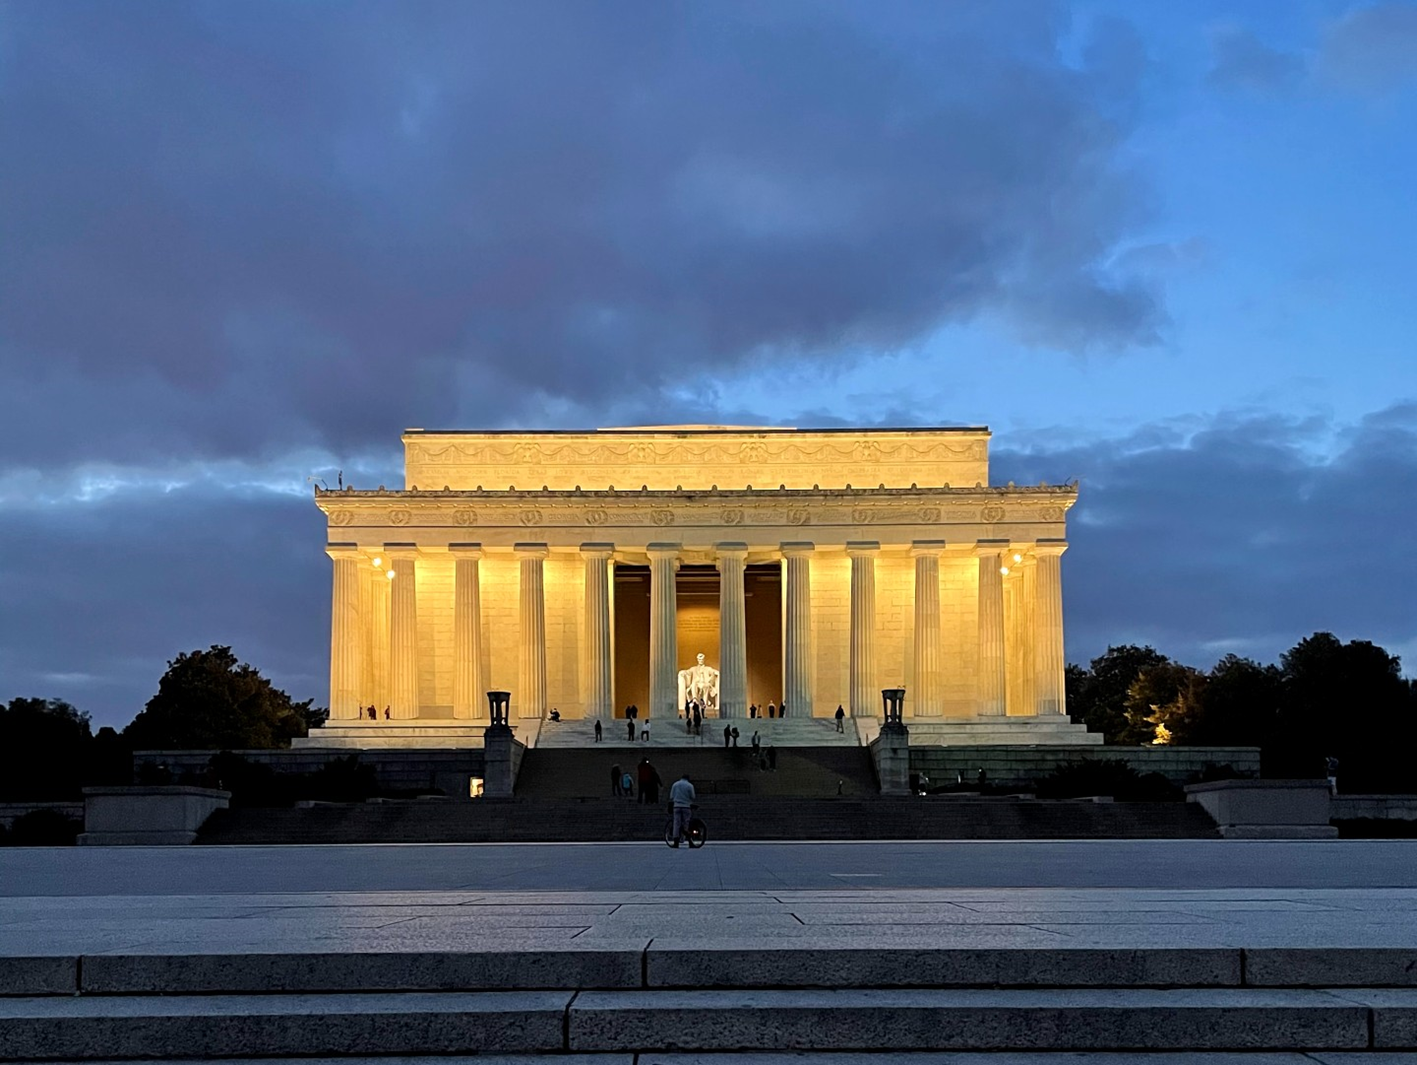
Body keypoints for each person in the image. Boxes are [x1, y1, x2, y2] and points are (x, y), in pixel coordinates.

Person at [668, 773, 697, 848]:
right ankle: (688, 839)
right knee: (686, 823)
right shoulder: (690, 785)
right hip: (686, 806)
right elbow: (693, 796)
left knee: (676, 823)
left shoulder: (675, 784)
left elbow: (671, 796)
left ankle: (676, 842)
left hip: (676, 806)